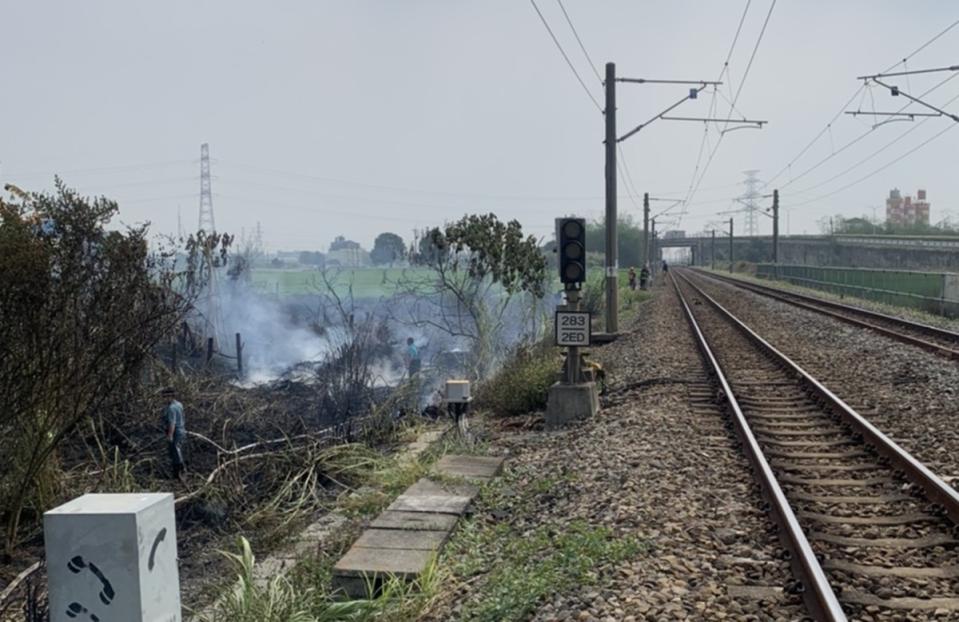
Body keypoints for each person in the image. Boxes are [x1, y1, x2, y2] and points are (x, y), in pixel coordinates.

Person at [162, 387, 186, 480]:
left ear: (171, 396)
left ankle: (180, 472)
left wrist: (170, 435)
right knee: (177, 450)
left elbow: (172, 423)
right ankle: (177, 474)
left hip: (176, 432)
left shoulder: (171, 408)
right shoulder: (179, 404)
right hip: (182, 430)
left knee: (176, 451)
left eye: (166, 397)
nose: (164, 399)